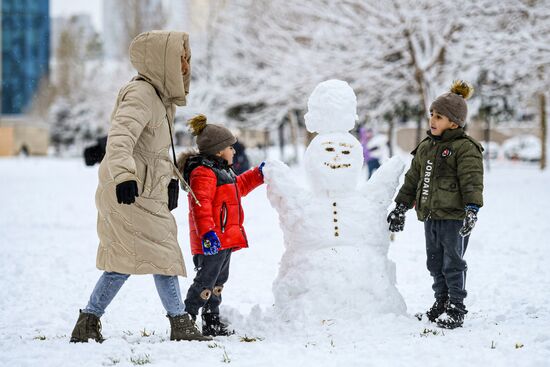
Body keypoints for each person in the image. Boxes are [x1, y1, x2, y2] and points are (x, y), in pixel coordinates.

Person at [70, 31, 211, 343]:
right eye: (180, 58)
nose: (185, 65)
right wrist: (123, 177)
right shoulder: (141, 94)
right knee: (154, 256)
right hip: (131, 191)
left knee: (137, 259)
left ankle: (89, 322)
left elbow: (153, 151)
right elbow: (120, 138)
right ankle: (179, 324)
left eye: (186, 58)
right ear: (161, 62)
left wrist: (172, 181)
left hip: (147, 191)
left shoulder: (158, 98)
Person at [387, 80, 484, 329]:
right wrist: (400, 207)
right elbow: (412, 180)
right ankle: (440, 303)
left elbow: (472, 181)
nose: (432, 119)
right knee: (434, 262)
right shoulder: (426, 147)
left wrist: (472, 210)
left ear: (454, 122)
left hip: (454, 217)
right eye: (432, 114)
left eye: (439, 116)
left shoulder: (465, 148)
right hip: (430, 215)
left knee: (453, 262)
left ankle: (456, 308)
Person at [176, 114, 264, 337]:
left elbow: (239, 186)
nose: (234, 151)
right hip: (212, 240)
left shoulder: (223, 171)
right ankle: (186, 320)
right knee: (205, 282)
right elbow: (201, 206)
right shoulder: (203, 172)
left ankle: (211, 322)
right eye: (230, 147)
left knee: (217, 282)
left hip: (224, 239)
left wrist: (258, 175)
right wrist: (207, 233)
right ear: (218, 150)